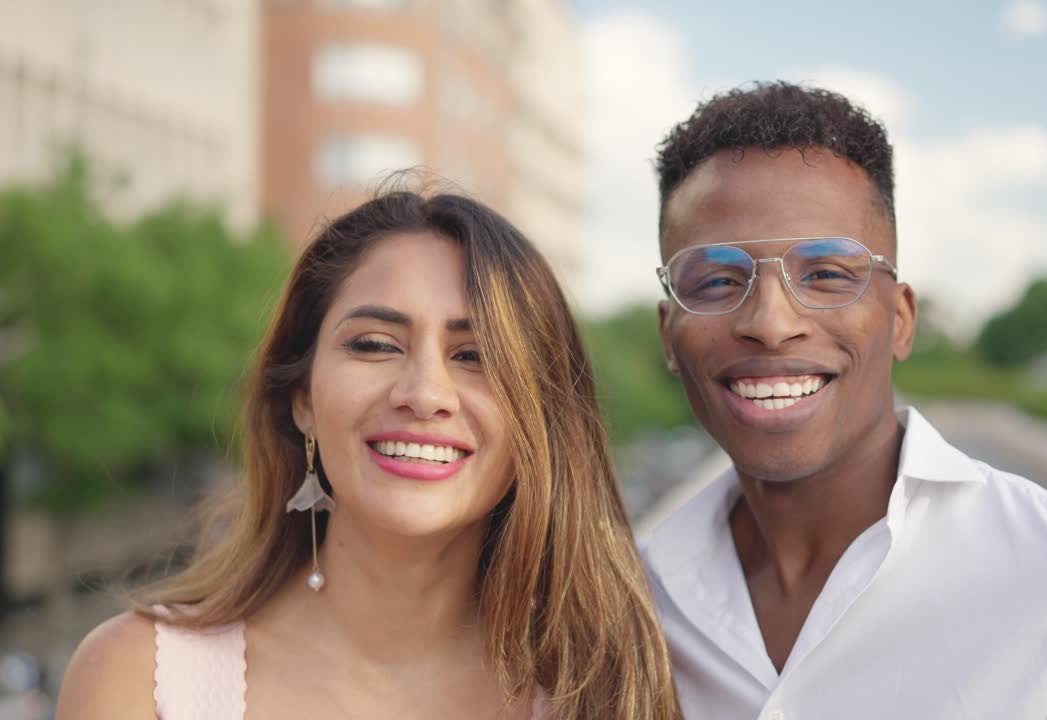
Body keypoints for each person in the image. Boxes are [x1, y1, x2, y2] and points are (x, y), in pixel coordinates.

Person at [641, 81, 1047, 718]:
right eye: (714, 280)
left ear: (901, 319)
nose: (770, 322)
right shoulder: (630, 600)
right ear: (667, 334)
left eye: (825, 274)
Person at [56, 190, 682, 719]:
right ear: (301, 395)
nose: (424, 395)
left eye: (476, 357)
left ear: (542, 419)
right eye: (376, 345)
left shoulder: (610, 691)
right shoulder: (142, 682)